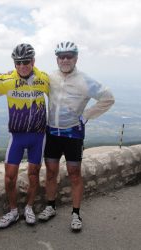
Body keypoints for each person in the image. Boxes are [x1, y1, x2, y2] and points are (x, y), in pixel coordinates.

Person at [38, 41, 115, 231]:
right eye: (61, 56)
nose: (65, 59)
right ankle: (50, 206)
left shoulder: (85, 80)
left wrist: (87, 115)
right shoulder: (49, 77)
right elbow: (26, 78)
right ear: (57, 59)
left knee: (74, 174)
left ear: (76, 58)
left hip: (73, 133)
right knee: (51, 172)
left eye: (69, 56)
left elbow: (108, 97)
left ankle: (76, 213)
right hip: (52, 132)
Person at [0, 43, 49, 228]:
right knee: (9, 177)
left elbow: (62, 92)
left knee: (33, 174)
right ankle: (14, 211)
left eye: (26, 62)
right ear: (14, 63)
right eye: (18, 62)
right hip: (17, 136)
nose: (22, 65)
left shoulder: (44, 79)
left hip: (38, 136)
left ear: (33, 61)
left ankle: (29, 207)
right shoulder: (7, 79)